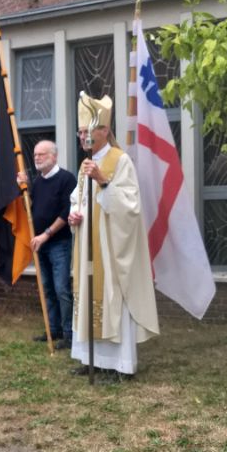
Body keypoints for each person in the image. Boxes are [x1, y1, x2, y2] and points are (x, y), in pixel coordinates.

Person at [68, 94, 159, 378]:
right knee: (86, 294)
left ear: (104, 130)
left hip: (111, 246)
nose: (82, 136)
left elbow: (131, 205)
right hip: (87, 243)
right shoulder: (85, 165)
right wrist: (74, 215)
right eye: (80, 131)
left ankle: (119, 364)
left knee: (112, 297)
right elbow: (78, 199)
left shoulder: (120, 161)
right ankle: (89, 359)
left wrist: (104, 181)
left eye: (87, 131)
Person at [17, 141, 77, 350]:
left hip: (58, 243)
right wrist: (22, 188)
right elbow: (30, 209)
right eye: (35, 154)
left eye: (42, 154)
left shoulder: (66, 179)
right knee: (47, 289)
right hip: (40, 244)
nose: (37, 158)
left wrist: (46, 235)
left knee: (61, 289)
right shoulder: (37, 182)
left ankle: (69, 333)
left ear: (54, 157)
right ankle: (53, 330)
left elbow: (65, 212)